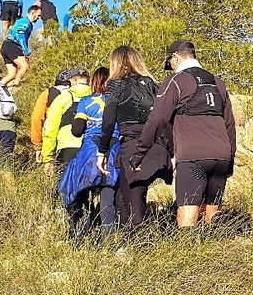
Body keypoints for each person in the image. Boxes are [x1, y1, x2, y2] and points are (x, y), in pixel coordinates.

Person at [132, 40, 236, 231]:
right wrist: (230, 160)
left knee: (187, 221)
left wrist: (139, 155)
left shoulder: (176, 81)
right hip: (222, 156)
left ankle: (190, 256)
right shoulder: (218, 83)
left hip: (193, 157)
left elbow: (157, 121)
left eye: (170, 63)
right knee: (213, 217)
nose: (171, 68)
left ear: (176, 58)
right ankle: (217, 256)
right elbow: (229, 124)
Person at [96, 46, 168, 233]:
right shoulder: (153, 84)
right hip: (158, 144)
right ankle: (130, 245)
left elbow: (108, 119)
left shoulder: (116, 84)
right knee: (123, 195)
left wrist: (102, 151)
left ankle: (137, 246)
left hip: (132, 143)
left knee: (131, 202)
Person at [59, 67, 119, 244]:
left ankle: (80, 235)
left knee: (83, 192)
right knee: (108, 193)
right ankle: (109, 240)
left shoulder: (85, 102)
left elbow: (77, 131)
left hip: (89, 152)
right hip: (112, 150)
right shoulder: (118, 101)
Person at [41, 68, 91, 173]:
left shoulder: (62, 99)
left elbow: (50, 129)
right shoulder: (97, 98)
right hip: (91, 150)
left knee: (65, 187)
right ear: (89, 80)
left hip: (66, 149)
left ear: (72, 80)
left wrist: (48, 158)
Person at [30, 70, 73, 163]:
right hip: (75, 142)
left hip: (51, 142)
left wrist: (38, 146)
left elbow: (37, 118)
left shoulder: (48, 93)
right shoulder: (79, 94)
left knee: (53, 173)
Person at [1, 4, 41, 88]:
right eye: (38, 15)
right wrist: (27, 52)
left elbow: (24, 40)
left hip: (6, 46)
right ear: (33, 12)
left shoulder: (28, 24)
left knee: (12, 73)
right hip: (12, 45)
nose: (39, 18)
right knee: (25, 66)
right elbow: (21, 36)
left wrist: (24, 52)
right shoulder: (25, 22)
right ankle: (16, 84)